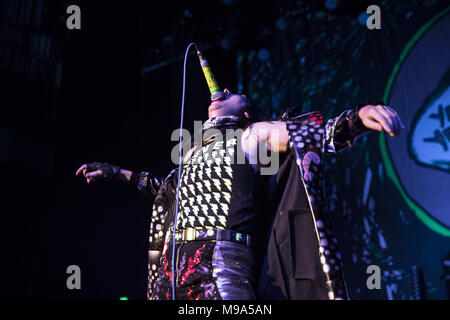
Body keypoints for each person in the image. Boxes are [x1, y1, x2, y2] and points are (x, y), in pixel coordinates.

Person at [76, 88, 404, 300]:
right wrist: (114, 172)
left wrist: (356, 119)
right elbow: (164, 190)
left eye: (236, 93)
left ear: (247, 112)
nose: (224, 90)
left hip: (220, 262)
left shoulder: (253, 135)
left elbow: (313, 134)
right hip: (171, 269)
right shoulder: (191, 152)